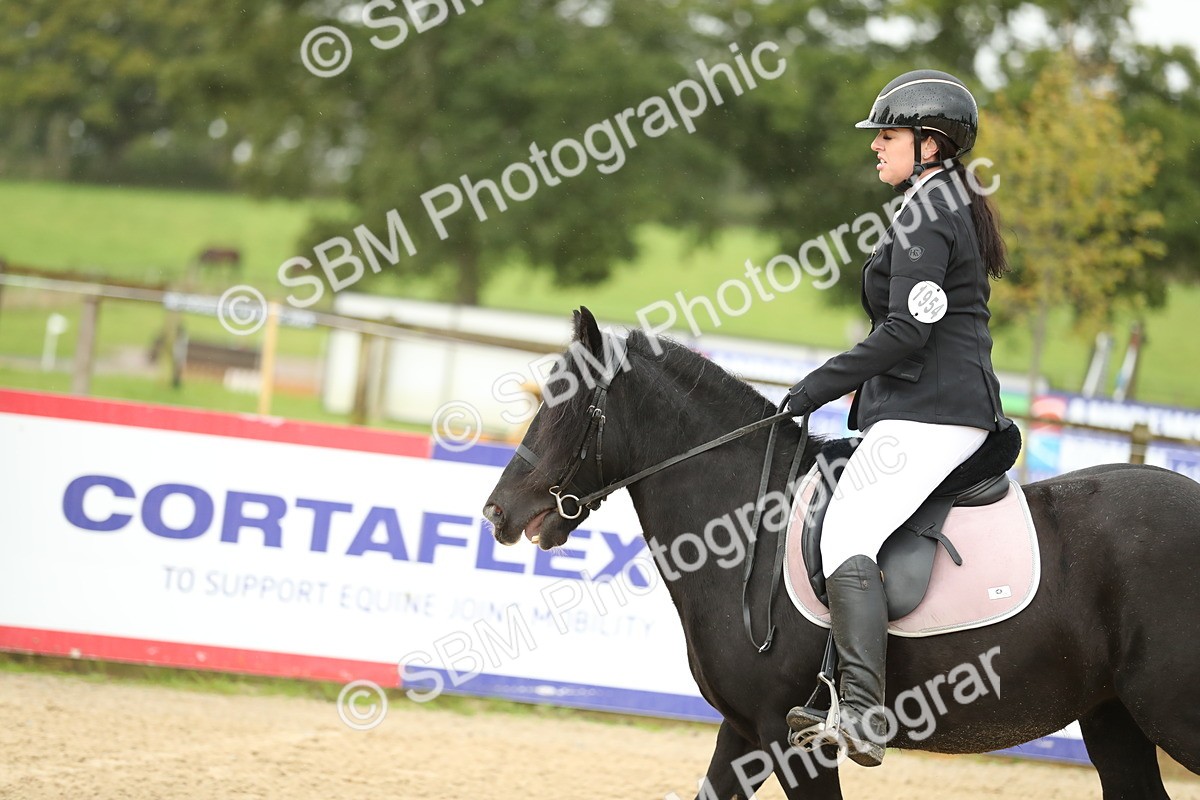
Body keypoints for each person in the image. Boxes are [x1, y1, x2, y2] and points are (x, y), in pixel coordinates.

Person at [783, 69, 1013, 767]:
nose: (875, 147)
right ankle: (832, 690)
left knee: (848, 528)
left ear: (931, 143)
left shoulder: (928, 210)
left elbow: (906, 334)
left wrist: (813, 387)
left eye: (887, 135)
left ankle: (861, 713)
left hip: (936, 414)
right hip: (925, 409)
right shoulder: (940, 200)